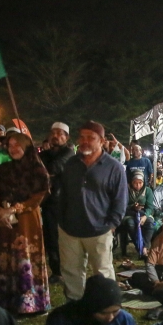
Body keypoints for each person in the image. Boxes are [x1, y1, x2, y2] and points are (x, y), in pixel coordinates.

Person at [58, 121, 127, 301]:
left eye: (91, 137)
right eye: (82, 137)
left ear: (102, 141)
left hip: (100, 230)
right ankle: (75, 308)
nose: (85, 141)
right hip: (70, 230)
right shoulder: (71, 164)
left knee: (103, 272)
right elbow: (63, 193)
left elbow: (120, 199)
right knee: (71, 272)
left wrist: (111, 225)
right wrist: (61, 220)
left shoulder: (114, 167)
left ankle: (107, 308)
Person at [0, 132, 51, 315]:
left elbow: (38, 195)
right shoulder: (3, 169)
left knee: (27, 256)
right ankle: (7, 302)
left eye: (17, 145)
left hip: (27, 220)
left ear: (27, 146)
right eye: (10, 145)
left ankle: (32, 304)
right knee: (7, 257)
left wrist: (14, 209)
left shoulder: (37, 169)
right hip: (5, 222)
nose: (13, 149)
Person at [40, 122, 74, 282]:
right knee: (50, 238)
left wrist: (42, 170)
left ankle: (67, 269)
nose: (56, 136)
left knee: (64, 239)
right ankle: (56, 271)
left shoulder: (69, 153)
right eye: (53, 133)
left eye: (60, 134)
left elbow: (52, 169)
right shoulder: (44, 155)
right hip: (47, 203)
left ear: (66, 137)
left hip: (64, 203)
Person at [128, 214, 163, 296]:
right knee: (136, 277)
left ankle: (156, 291)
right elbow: (150, 264)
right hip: (158, 273)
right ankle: (160, 291)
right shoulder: (158, 240)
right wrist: (156, 281)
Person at [119, 169, 155, 258]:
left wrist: (145, 216)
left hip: (143, 214)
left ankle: (145, 248)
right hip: (129, 214)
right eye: (135, 183)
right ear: (131, 182)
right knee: (130, 224)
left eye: (140, 183)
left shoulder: (148, 191)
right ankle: (140, 247)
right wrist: (132, 207)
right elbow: (122, 206)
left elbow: (150, 207)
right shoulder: (126, 190)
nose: (138, 185)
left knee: (150, 223)